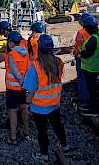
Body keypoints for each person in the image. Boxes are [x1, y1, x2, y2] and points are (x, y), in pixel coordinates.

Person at [23, 35, 68, 163]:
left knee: (42, 131)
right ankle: (65, 146)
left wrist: (27, 104)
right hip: (54, 103)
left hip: (39, 106)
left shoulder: (35, 68)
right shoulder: (58, 62)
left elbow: (30, 91)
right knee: (58, 125)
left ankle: (44, 155)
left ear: (39, 48)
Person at [4, 31, 30, 145]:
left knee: (13, 111)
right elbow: (28, 68)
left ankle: (13, 137)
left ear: (10, 42)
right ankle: (26, 132)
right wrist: (25, 84)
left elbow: (14, 71)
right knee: (24, 109)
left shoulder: (11, 54)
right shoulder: (25, 53)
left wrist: (21, 81)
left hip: (12, 88)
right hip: (23, 88)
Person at [79, 15, 99, 117]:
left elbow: (88, 53)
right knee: (92, 89)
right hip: (96, 67)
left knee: (91, 90)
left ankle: (93, 109)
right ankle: (92, 106)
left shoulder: (93, 39)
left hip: (90, 68)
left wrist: (80, 54)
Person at [73, 13, 91, 111]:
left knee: (81, 78)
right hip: (91, 58)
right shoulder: (95, 33)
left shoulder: (81, 32)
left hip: (81, 57)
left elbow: (78, 45)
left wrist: (76, 53)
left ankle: (83, 98)